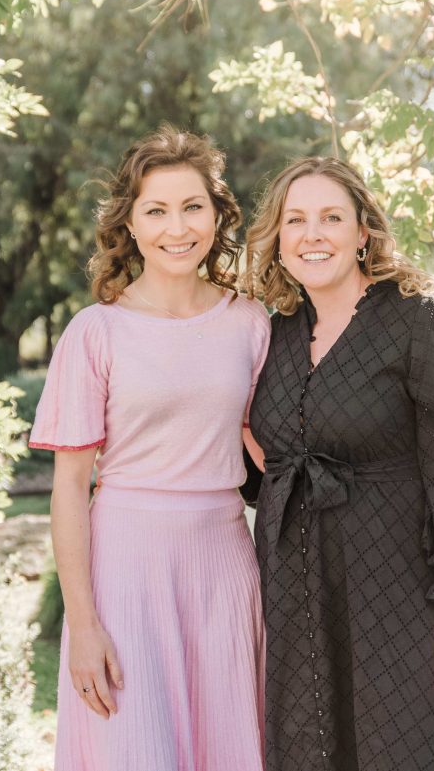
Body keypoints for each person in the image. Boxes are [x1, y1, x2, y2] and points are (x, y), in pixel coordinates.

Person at [242, 156, 434, 771]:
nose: (312, 234)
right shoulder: (280, 331)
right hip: (302, 596)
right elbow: (272, 458)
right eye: (296, 220)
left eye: (331, 217)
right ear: (279, 238)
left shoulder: (417, 319)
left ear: (363, 231)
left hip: (400, 594)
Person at [29, 126, 270, 771]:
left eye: (193, 207)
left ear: (217, 216)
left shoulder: (251, 323)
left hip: (224, 564)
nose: (176, 227)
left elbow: (272, 450)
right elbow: (69, 488)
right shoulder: (95, 333)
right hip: (126, 571)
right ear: (130, 225)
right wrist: (82, 626)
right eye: (156, 210)